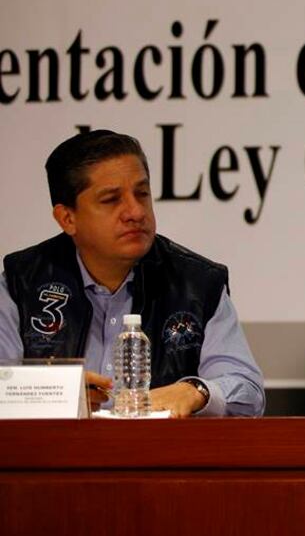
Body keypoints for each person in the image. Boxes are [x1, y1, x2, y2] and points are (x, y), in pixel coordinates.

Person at [0, 130, 264, 417]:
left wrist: (196, 391)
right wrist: (57, 395)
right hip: (51, 456)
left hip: (160, 456)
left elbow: (248, 393)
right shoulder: (20, 283)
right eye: (112, 200)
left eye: (142, 194)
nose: (136, 212)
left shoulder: (197, 284)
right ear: (68, 218)